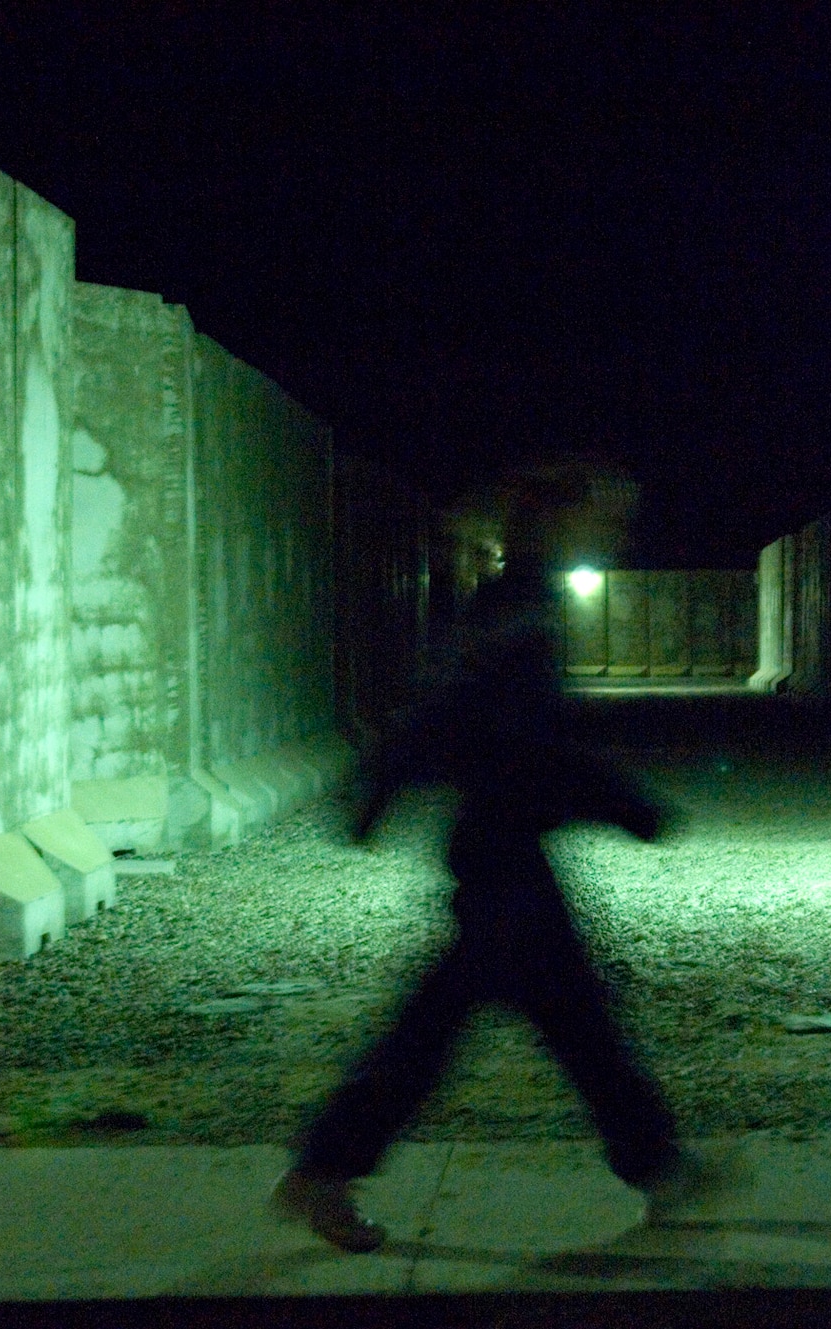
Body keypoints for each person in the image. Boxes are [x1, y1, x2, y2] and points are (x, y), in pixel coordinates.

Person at [270, 459, 728, 1253]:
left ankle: (655, 1164)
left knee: (527, 1018)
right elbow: (515, 742)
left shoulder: (511, 603)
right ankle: (325, 1169)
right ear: (559, 521)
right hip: (501, 851)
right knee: (500, 1024)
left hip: (496, 848)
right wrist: (626, 804)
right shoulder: (519, 610)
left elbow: (444, 713)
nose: (615, 529)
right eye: (602, 516)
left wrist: (380, 792)